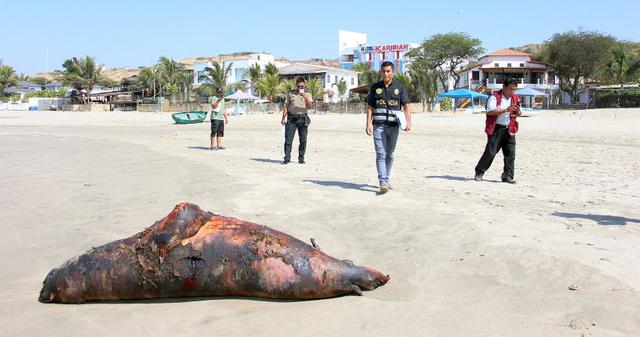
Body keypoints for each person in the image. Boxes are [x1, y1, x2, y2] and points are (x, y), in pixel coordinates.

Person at [366, 61, 412, 193]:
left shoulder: (400, 87)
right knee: (381, 153)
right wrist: (368, 123)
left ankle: (386, 177)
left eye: (388, 71)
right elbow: (370, 107)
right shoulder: (375, 87)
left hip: (394, 126)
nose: (386, 74)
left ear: (393, 72)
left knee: (390, 155)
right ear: (381, 72)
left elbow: (406, 105)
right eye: (383, 71)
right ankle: (383, 181)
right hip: (378, 126)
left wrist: (409, 122)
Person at [474, 78, 522, 184]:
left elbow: (518, 113)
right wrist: (506, 110)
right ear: (504, 87)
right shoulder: (494, 97)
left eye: (514, 89)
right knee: (490, 152)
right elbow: (490, 111)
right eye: (511, 89)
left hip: (510, 128)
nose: (512, 92)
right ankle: (479, 172)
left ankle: (507, 176)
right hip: (496, 129)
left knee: (510, 154)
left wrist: (518, 111)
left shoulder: (515, 98)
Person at [281, 77, 313, 164]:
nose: (300, 88)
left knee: (303, 140)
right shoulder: (290, 93)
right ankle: (287, 158)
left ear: (304, 85)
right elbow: (286, 106)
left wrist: (304, 96)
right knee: (288, 140)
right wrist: (283, 118)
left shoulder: (308, 94)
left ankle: (301, 159)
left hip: (303, 118)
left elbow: (310, 106)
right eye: (298, 86)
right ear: (296, 85)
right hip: (291, 118)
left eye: (301, 86)